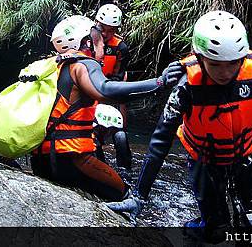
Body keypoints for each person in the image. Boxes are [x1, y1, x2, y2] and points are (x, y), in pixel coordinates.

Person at [108, 11, 252, 240]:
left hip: (244, 156)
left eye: (233, 64)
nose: (225, 72)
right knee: (216, 232)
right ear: (199, 58)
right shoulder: (186, 87)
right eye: (215, 65)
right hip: (205, 161)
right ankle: (192, 232)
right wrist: (140, 195)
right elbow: (160, 141)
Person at [30, 15, 184, 202]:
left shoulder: (52, 65)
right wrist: (159, 82)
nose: (103, 46)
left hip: (40, 161)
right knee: (126, 195)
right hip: (69, 159)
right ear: (87, 43)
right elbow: (106, 90)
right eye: (100, 41)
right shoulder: (83, 64)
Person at [93, 4, 133, 170]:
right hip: (89, 86)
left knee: (120, 130)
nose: (106, 34)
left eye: (111, 30)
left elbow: (119, 73)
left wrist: (108, 89)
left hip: (110, 87)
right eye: (103, 29)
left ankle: (125, 167)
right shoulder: (87, 41)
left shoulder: (120, 48)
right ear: (96, 23)